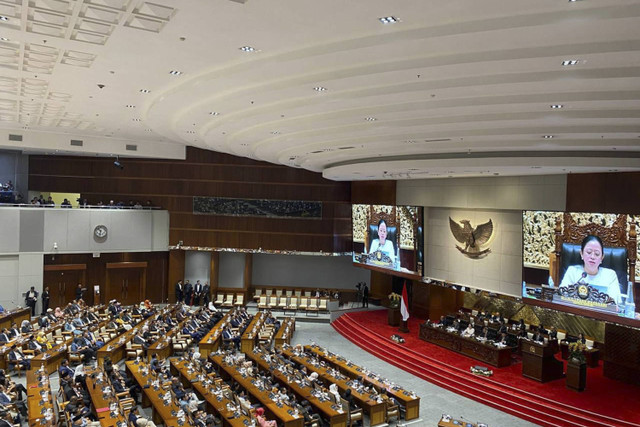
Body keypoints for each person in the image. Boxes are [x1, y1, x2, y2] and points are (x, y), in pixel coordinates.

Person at [559, 234, 622, 305]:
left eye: (597, 254)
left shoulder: (610, 275)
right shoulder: (572, 271)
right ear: (581, 254)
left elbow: (614, 304)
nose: (592, 257)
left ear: (602, 257)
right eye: (589, 252)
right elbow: (562, 296)